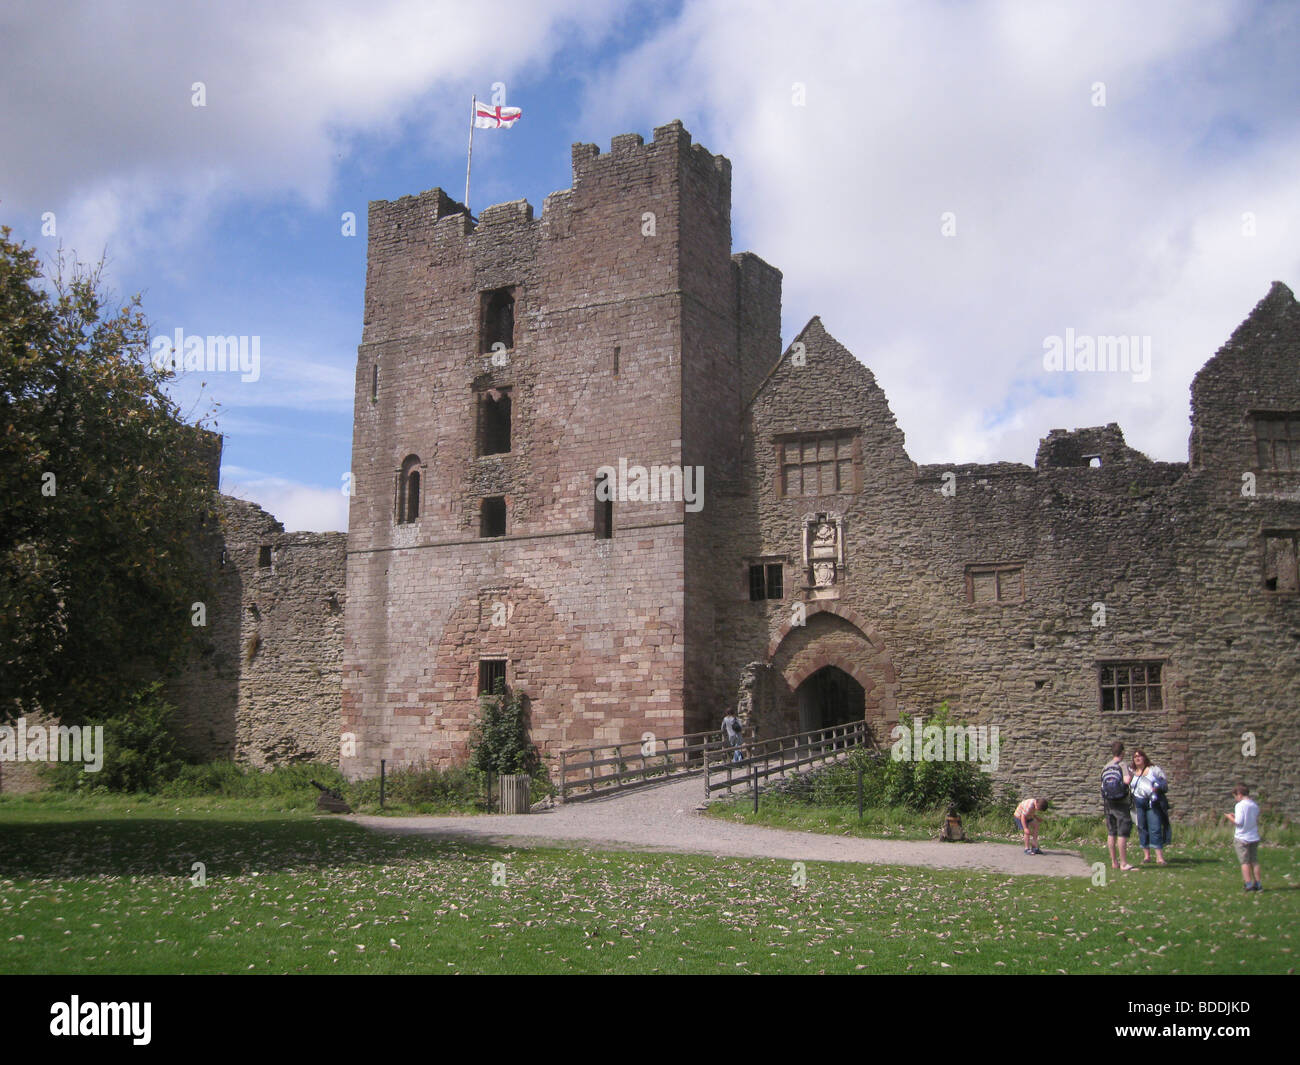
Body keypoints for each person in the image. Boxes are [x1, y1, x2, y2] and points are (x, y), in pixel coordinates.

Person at [1129, 748, 1169, 865]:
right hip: (1139, 802)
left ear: (1144, 757)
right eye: (1135, 756)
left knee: (1155, 827)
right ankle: (1146, 856)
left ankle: (1159, 857)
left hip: (1152, 802)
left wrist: (1157, 788)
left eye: (1140, 756)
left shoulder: (1153, 770)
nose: (1137, 758)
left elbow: (1164, 783)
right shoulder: (1132, 772)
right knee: (1142, 827)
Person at [1102, 741, 1135, 871]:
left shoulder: (1106, 766)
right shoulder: (1122, 764)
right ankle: (1124, 863)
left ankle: (1114, 862)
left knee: (1111, 832)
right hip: (1121, 803)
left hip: (1108, 803)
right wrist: (1131, 776)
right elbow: (1127, 781)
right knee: (1122, 833)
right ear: (1123, 752)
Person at [1223, 784, 1262, 892]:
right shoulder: (1254, 805)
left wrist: (1230, 817)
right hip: (1253, 836)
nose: (1235, 799)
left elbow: (1239, 822)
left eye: (1235, 796)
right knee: (1254, 861)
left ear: (1239, 794)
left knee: (1244, 862)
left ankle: (1248, 884)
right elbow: (1250, 819)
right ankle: (1258, 884)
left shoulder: (1240, 805)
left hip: (1242, 837)